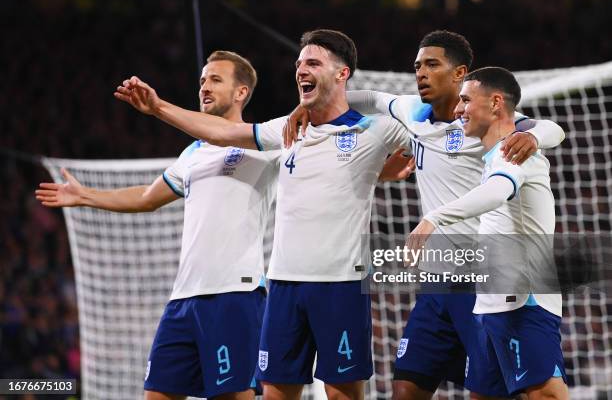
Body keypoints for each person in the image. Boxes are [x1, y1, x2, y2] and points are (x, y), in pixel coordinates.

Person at [113, 28, 418, 400]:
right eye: (299, 63)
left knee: (341, 395)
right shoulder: (285, 132)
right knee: (275, 394)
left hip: (341, 284)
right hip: (283, 285)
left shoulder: (376, 129)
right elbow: (222, 133)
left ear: (342, 74)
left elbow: (426, 125)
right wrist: (159, 107)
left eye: (313, 63)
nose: (301, 70)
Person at [284, 30, 565, 399]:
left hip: (481, 279)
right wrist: (309, 105)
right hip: (436, 283)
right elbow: (366, 97)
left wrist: (535, 138)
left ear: (460, 73)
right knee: (407, 386)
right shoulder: (412, 114)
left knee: (493, 391)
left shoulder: (486, 123)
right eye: (417, 66)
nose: (421, 73)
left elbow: (550, 128)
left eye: (432, 65)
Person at [36, 51, 279, 400]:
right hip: (182, 299)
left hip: (234, 294)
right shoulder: (193, 153)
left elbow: (238, 136)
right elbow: (148, 197)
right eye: (201, 81)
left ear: (241, 92)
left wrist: (159, 107)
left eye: (215, 79)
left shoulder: (265, 144)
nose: (204, 87)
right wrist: (85, 195)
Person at [406, 66, 568, 400]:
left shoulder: (517, 151)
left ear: (495, 103)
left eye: (465, 100)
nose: (457, 109)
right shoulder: (493, 156)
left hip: (523, 301)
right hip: (490, 304)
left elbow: (498, 192)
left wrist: (433, 218)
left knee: (546, 394)